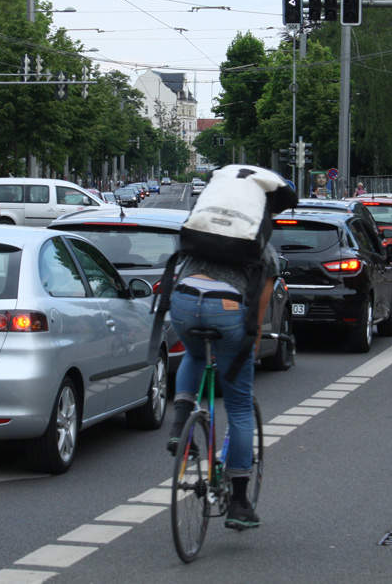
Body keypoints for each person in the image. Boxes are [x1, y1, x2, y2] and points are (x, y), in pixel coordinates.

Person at [165, 177, 289, 532]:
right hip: (226, 307)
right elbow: (264, 295)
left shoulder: (203, 220)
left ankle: (180, 430)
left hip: (185, 302)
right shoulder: (258, 238)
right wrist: (255, 335)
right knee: (238, 405)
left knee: (193, 354)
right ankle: (237, 502)